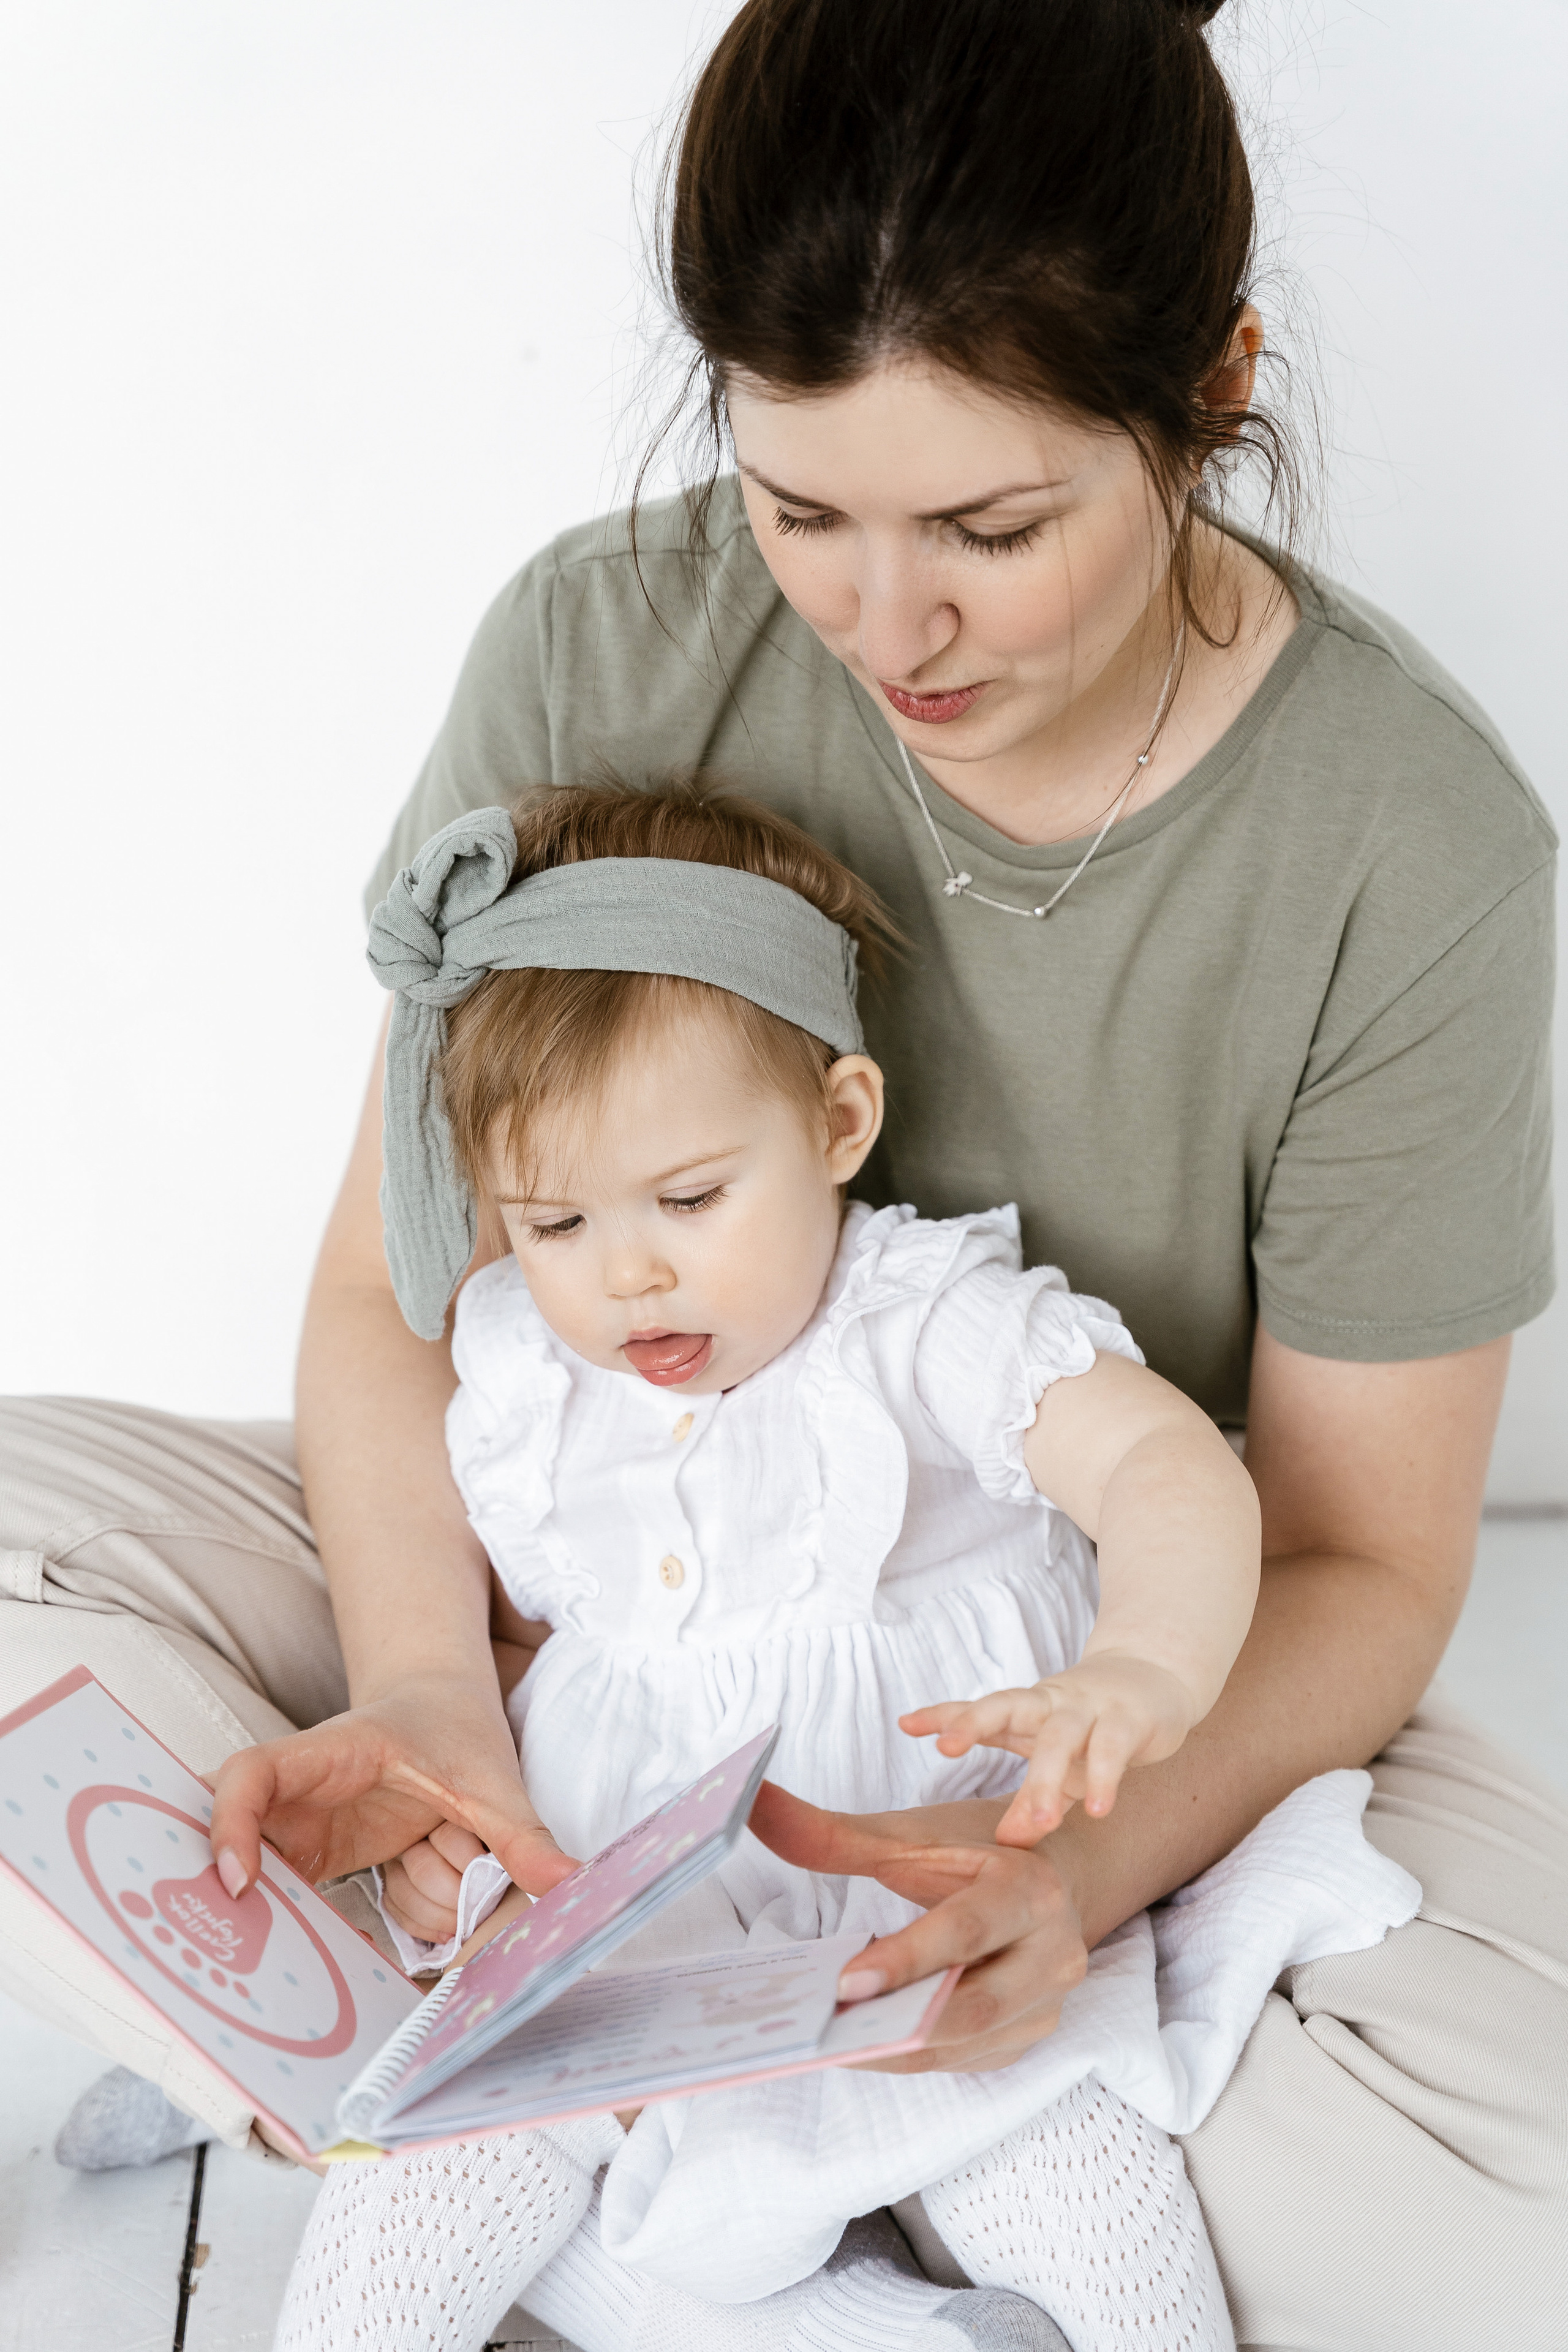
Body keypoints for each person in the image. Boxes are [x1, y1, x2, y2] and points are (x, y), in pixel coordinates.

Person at [1, 0, 1561, 2344]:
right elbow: (382, 1302)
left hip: (1067, 1674)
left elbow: (1353, 1556)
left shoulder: (1403, 845)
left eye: (995, 529)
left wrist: (1087, 1857)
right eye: (798, 507)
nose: (884, 624)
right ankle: (594, 2072)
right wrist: (434, 1682)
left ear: (1216, 382)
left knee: (1503, 2214)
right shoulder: (598, 646)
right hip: (552, 1609)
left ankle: (637, 2131)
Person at [269, 776, 1413, 2352]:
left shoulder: (916, 1317)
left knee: (1077, 2184)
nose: (627, 1272)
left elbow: (1163, 1469)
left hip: (927, 1903)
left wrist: (1140, 1662)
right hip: (626, 1926)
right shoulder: (531, 1365)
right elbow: (548, 1605)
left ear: (836, 1123)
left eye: (688, 1197)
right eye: (551, 1221)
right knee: (405, 2207)